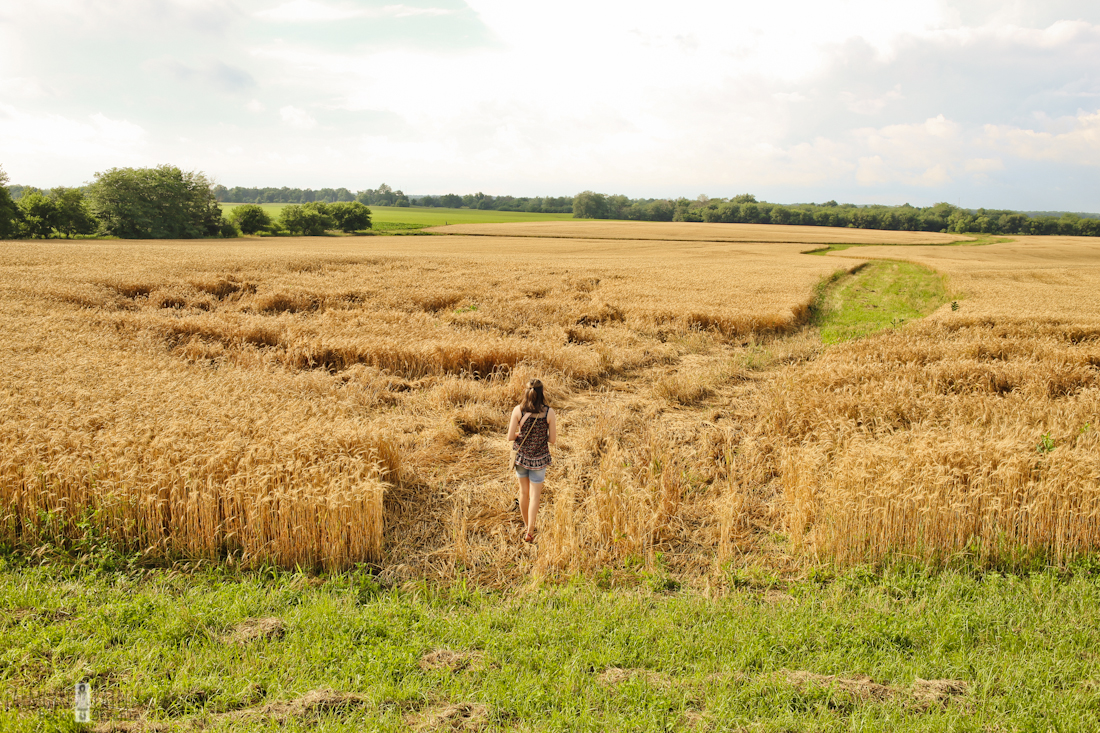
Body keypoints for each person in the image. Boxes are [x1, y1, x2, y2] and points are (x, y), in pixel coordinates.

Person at [506, 379, 557, 543]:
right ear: (542, 393)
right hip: (539, 459)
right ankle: (530, 530)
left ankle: (528, 526)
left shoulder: (518, 410)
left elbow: (509, 436)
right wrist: (541, 436)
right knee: (535, 496)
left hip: (521, 457)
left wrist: (520, 435)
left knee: (523, 493)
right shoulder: (549, 413)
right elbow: (553, 439)